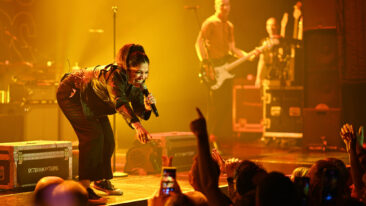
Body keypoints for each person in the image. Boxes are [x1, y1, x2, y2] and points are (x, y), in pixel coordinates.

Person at [56, 43, 155, 204]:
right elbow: (120, 103)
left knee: (108, 140)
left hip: (94, 103)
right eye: (138, 72)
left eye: (145, 73)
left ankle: (100, 180)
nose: (142, 77)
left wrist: (147, 106)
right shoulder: (114, 75)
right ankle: (83, 188)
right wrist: (138, 127)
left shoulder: (137, 85)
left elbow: (140, 113)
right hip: (72, 94)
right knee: (93, 136)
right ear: (126, 68)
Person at [195, 0, 247, 145]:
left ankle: (214, 134)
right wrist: (205, 63)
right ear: (216, 6)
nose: (225, 8)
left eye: (227, 5)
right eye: (222, 5)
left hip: (225, 67)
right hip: (213, 66)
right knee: (214, 104)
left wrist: (248, 55)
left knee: (225, 104)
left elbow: (232, 49)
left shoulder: (230, 26)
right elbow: (199, 43)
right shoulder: (210, 23)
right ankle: (208, 136)